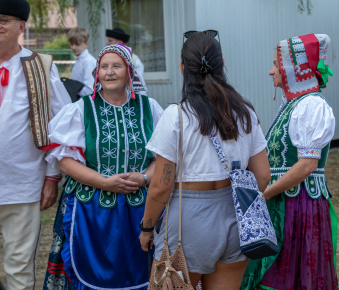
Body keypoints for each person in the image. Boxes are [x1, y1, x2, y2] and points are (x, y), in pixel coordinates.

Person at [139, 30, 271, 290]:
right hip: (235, 218)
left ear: (182, 68)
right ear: (222, 65)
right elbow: (263, 175)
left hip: (188, 223)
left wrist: (147, 227)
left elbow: (161, 186)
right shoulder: (245, 113)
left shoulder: (176, 116)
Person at [43, 43, 164, 290]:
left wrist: (143, 178)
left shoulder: (149, 108)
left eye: (116, 66)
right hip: (91, 209)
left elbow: (163, 159)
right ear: (96, 73)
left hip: (141, 209)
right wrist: (105, 182)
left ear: (129, 71)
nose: (109, 72)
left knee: (141, 270)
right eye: (104, 67)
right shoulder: (81, 109)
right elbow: (65, 161)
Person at [241, 34, 338, 289]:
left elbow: (307, 165)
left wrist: (265, 194)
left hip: (300, 206)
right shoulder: (293, 105)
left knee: (291, 274)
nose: (271, 70)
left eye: (276, 64)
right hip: (284, 201)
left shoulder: (311, 106)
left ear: (294, 69)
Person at [0, 0, 71, 288]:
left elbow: (63, 126)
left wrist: (52, 177)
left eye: (3, 19)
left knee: (18, 269)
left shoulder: (40, 67)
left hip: (22, 184)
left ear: (21, 26)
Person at [106, 27, 147, 95]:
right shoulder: (106, 59)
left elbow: (140, 86)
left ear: (120, 42)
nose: (107, 43)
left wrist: (140, 102)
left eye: (110, 41)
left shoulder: (134, 60)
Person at [67, 27, 96, 99]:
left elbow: (90, 90)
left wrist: (71, 90)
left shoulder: (88, 62)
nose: (73, 47)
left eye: (77, 44)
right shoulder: (80, 59)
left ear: (86, 44)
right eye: (72, 44)